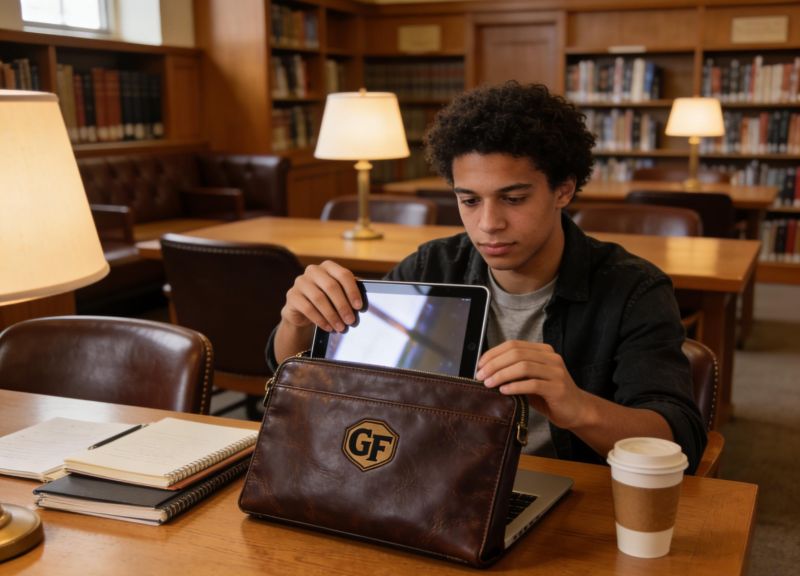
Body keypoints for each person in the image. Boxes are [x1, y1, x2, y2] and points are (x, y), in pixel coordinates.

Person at [267, 81, 707, 473]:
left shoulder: (633, 289)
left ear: (564, 190)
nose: (488, 224)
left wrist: (576, 408)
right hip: (429, 480)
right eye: (470, 201)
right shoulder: (430, 268)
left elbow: (677, 439)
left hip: (571, 493)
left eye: (513, 198)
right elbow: (311, 374)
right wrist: (299, 324)